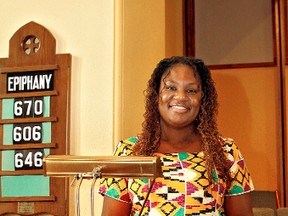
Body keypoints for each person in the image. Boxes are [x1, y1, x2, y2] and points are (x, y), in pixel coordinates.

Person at [99, 56, 254, 215]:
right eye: (171, 88)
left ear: (202, 98)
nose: (181, 96)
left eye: (191, 90)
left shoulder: (226, 151)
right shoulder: (128, 152)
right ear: (156, 95)